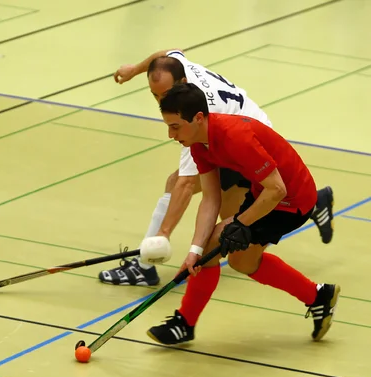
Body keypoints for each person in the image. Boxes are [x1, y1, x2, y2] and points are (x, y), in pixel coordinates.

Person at [99, 49, 334, 287]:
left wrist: (163, 236)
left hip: (247, 138)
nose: (162, 103)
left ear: (181, 83)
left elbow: (186, 183)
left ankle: (143, 267)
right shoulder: (176, 68)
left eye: (165, 95)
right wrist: (134, 70)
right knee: (229, 213)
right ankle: (312, 203)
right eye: (154, 95)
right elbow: (164, 55)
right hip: (242, 129)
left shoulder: (195, 115)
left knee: (180, 185)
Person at [145, 83, 339, 345]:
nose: (170, 134)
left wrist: (239, 222)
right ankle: (319, 296)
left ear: (199, 118)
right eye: (168, 126)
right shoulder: (198, 144)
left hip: (290, 199)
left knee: (217, 242)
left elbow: (278, 189)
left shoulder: (235, 136)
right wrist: (194, 250)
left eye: (175, 126)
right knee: (241, 262)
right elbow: (211, 199)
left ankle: (185, 322)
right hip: (263, 192)